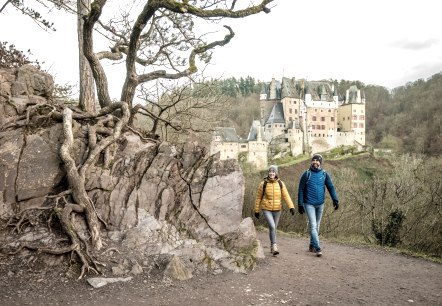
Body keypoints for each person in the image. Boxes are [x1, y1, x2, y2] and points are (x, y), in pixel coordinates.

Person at [297, 154, 339, 257]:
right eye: (313, 160)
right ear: (311, 162)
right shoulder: (306, 174)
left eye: (317, 160)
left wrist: (335, 200)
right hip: (309, 204)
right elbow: (301, 189)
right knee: (313, 225)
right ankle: (317, 247)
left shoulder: (324, 174)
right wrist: (300, 204)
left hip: (320, 204)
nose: (315, 162)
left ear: (320, 163)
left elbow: (331, 187)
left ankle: (312, 244)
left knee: (317, 226)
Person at [254, 165, 295, 255]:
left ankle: (272, 247)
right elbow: (258, 198)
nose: (271, 173)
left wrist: (291, 207)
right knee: (272, 227)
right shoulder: (263, 184)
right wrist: (256, 210)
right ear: (268, 173)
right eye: (270, 172)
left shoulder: (281, 183)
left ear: (276, 173)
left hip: (277, 209)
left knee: (273, 229)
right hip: (266, 209)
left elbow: (286, 195)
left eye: (273, 172)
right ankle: (275, 246)